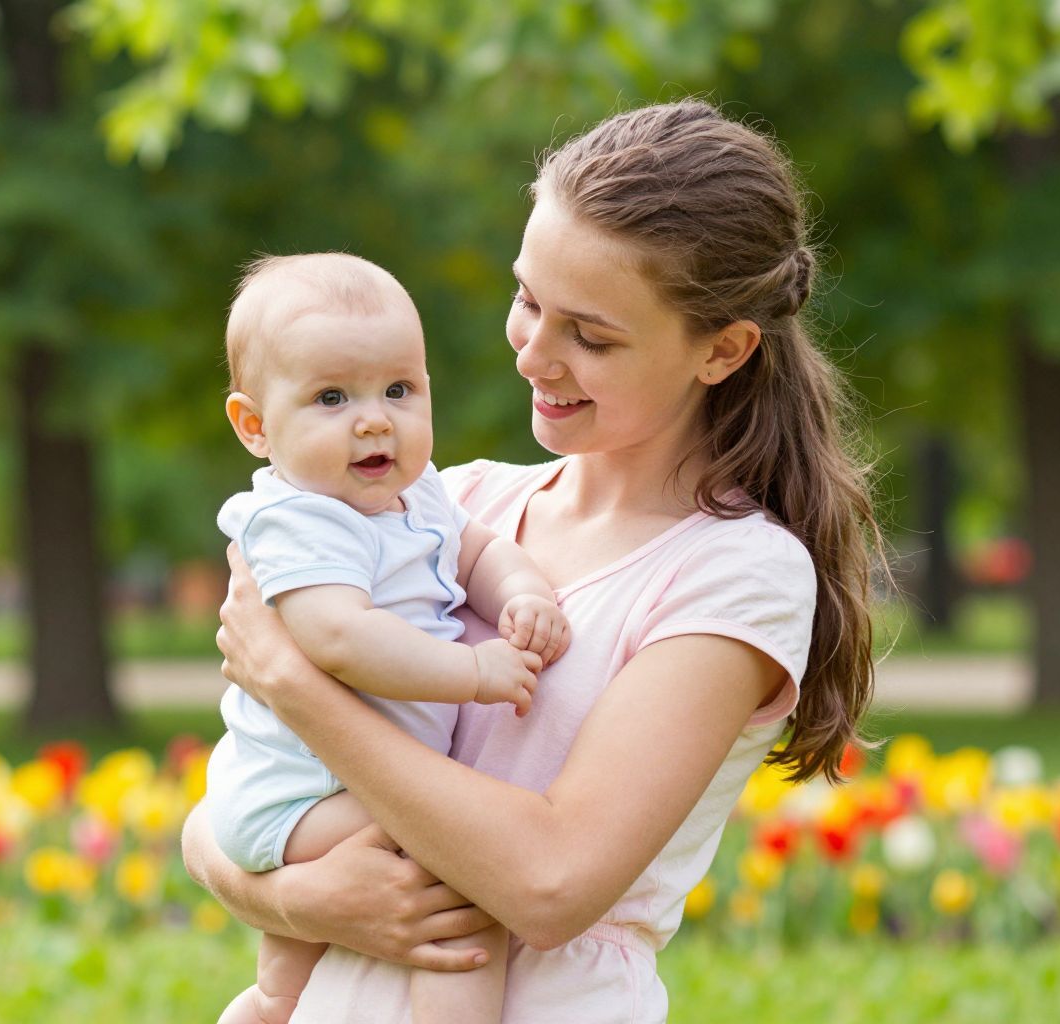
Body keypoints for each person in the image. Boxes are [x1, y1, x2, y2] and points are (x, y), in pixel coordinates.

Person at [188, 98, 882, 1022]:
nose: (532, 355)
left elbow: (551, 883)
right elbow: (219, 819)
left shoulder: (735, 575)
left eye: (589, 336)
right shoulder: (448, 503)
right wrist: (295, 901)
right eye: (527, 300)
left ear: (722, 350)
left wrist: (294, 682)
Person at [209, 252, 573, 1024]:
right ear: (254, 426)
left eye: (398, 390)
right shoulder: (298, 520)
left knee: (293, 986)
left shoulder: (421, 493)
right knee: (460, 873)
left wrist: (523, 591)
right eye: (331, 397)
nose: (374, 418)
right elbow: (339, 637)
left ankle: (270, 1005)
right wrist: (471, 672)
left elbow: (475, 552)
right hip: (300, 794)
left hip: (344, 780)